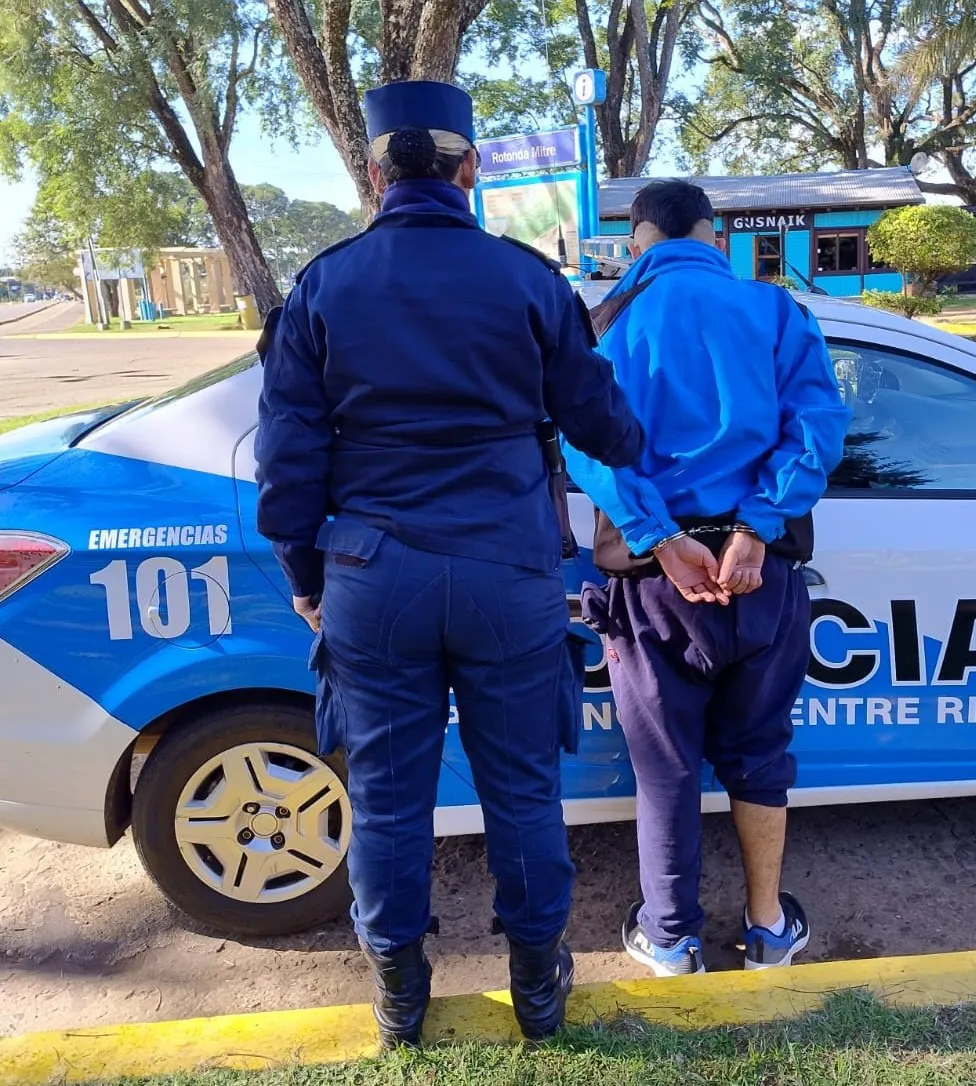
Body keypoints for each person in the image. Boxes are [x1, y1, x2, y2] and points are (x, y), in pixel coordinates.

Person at [254, 79, 643, 1047]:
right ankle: (537, 989)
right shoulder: (525, 280)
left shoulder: (325, 283)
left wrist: (305, 576)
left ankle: (398, 992)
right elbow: (605, 427)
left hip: (372, 575)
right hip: (506, 573)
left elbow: (288, 460)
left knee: (387, 799)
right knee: (521, 791)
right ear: (469, 170)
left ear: (377, 173)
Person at [564, 180, 850, 977]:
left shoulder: (607, 320)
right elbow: (818, 426)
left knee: (665, 767)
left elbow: (586, 445)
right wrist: (756, 528)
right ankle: (766, 930)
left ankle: (670, 938)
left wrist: (660, 539)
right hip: (762, 577)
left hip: (657, 588)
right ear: (712, 233)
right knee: (760, 755)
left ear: (636, 239)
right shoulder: (775, 310)